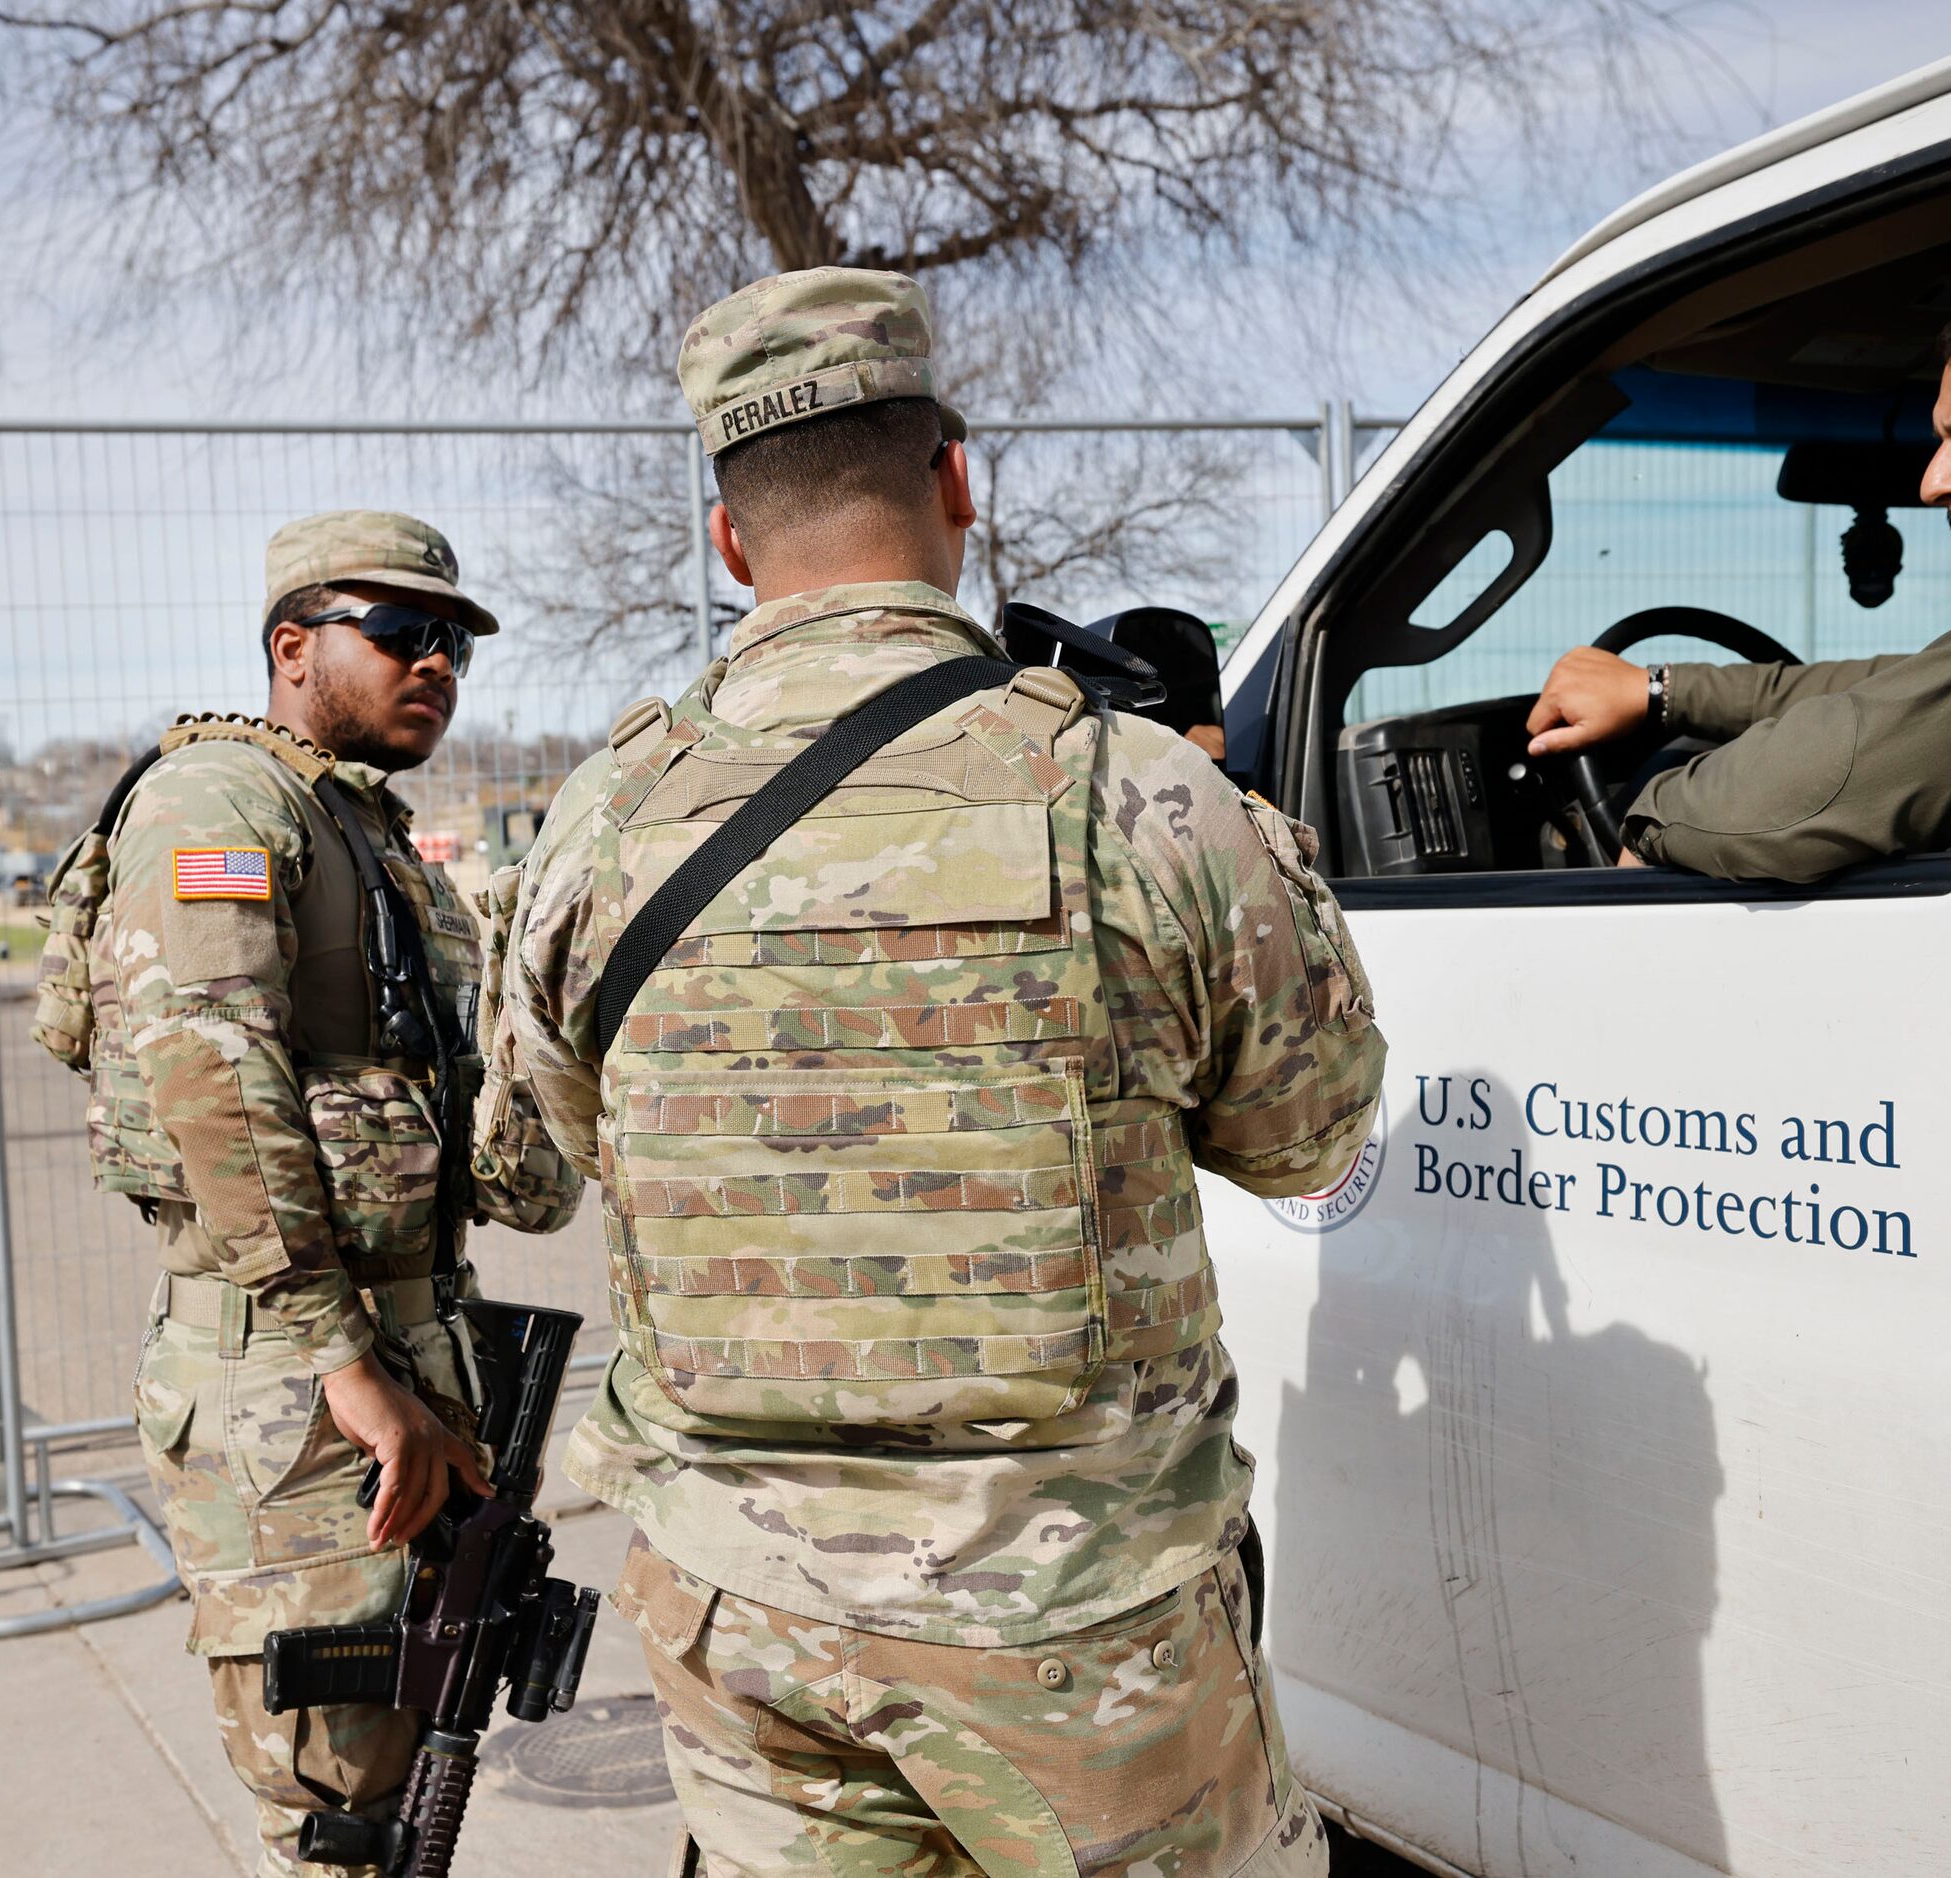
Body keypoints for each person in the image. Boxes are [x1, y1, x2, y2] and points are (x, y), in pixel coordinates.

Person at [502, 268, 1386, 1877]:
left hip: (739, 1616)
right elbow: (1309, 1134)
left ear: (728, 538)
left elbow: (567, 1131)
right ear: (956, 482)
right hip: (1071, 1632)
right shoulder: (1137, 798)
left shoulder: (596, 825)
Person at [58, 511, 578, 1876]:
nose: (437, 663)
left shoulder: (359, 826)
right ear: (293, 644)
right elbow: (211, 1077)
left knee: (402, 1778)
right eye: (400, 632)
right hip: (295, 1376)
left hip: (395, 1346)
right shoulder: (217, 802)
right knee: (339, 1808)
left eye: (453, 641)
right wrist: (348, 1367)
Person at [1523, 269, 1951, 883]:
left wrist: (1658, 815)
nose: (1931, 482)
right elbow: (1895, 685)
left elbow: (1780, 797)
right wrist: (1663, 693)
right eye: (1941, 441)